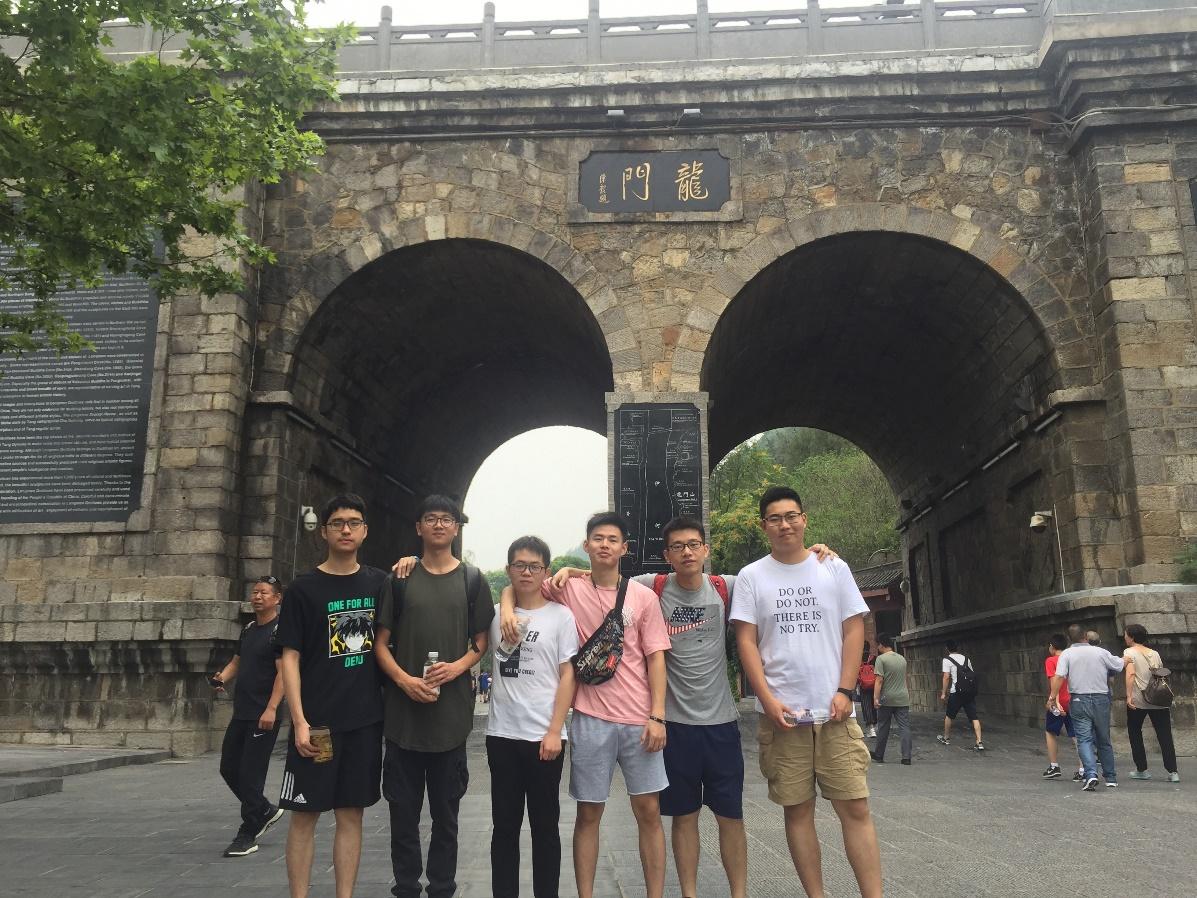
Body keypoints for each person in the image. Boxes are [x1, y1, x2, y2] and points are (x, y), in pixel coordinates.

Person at [502, 511, 671, 898]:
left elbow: (656, 658)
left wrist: (658, 715)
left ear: (625, 548)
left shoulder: (643, 597)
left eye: (612, 539)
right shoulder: (569, 589)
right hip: (591, 718)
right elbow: (520, 582)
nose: (605, 545)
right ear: (586, 545)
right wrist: (507, 609)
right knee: (589, 813)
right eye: (598, 539)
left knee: (648, 811)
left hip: (639, 720)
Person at [731, 486, 881, 898]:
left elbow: (854, 628)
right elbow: (746, 641)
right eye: (775, 518)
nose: (785, 524)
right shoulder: (751, 576)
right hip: (784, 713)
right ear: (764, 526)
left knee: (855, 806)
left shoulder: (832, 567)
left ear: (804, 519)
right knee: (798, 811)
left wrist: (845, 690)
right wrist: (766, 699)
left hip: (835, 710)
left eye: (791, 516)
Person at [375, 495, 494, 898]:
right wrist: (403, 680)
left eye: (447, 519)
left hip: (450, 722)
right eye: (431, 518)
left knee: (447, 816)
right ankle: (406, 886)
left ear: (456, 528)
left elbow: (481, 642)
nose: (439, 525)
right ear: (418, 527)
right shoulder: (399, 580)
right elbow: (380, 644)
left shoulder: (472, 580)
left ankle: (443, 886)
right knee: (402, 815)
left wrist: (457, 667)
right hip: (403, 720)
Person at [276, 494, 387, 898]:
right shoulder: (303, 589)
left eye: (354, 522)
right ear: (323, 531)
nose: (346, 529)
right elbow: (289, 657)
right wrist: (299, 721)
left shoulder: (379, 584)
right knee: (304, 813)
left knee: (351, 813)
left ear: (365, 531)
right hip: (318, 725)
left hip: (363, 722)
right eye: (338, 523)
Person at [487, 536, 578, 898]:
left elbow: (568, 674)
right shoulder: (495, 614)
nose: (526, 572)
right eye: (519, 565)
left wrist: (555, 730)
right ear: (509, 569)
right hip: (502, 735)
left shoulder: (560, 616)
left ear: (546, 572)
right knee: (504, 828)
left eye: (534, 566)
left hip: (544, 737)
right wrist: (506, 605)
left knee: (545, 828)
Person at [211, 574, 286, 857]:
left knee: (250, 774)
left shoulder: (280, 631)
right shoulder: (250, 629)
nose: (257, 597)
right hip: (243, 710)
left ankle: (248, 832)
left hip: (264, 713)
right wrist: (222, 678)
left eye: (264, 593)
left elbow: (283, 673)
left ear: (277, 598)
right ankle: (263, 810)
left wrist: (271, 708)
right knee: (229, 767)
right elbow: (237, 662)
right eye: (255, 592)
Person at [1049, 623, 1124, 791]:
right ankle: (1110, 777)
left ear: (1069, 639)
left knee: (1084, 739)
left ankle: (1090, 774)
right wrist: (1126, 658)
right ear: (1085, 636)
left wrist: (1052, 697)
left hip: (1078, 699)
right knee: (1104, 739)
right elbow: (1118, 665)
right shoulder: (1100, 652)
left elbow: (1059, 676)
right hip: (1101, 698)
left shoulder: (1067, 654)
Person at [1122, 624, 1180, 783]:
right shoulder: (1154, 653)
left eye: (1126, 634)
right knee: (1164, 734)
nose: (1125, 637)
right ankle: (1173, 771)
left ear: (1132, 637)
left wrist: (1128, 696)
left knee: (1135, 732)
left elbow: (1130, 674)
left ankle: (1142, 769)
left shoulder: (1129, 652)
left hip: (1138, 699)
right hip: (1158, 698)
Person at [1041, 634, 1082, 781]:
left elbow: (1055, 681)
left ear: (1052, 646)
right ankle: (1083, 769)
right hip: (1074, 699)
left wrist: (1054, 701)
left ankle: (1054, 766)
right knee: (1077, 735)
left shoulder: (1051, 660)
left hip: (1059, 700)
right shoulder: (1072, 658)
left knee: (1050, 731)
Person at [870, 633, 911, 765]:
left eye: (878, 645)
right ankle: (906, 757)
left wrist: (875, 698)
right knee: (904, 727)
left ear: (881, 644)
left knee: (883, 726)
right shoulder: (902, 659)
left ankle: (879, 754)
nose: (878, 647)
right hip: (902, 697)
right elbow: (905, 679)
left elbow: (879, 680)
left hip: (886, 698)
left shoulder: (881, 659)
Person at [937, 640, 984, 750]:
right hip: (968, 692)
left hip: (956, 692)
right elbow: (971, 674)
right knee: (974, 717)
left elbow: (946, 677)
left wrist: (943, 693)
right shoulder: (966, 659)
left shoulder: (947, 660)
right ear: (957, 648)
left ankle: (946, 738)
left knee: (949, 716)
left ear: (947, 649)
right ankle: (979, 741)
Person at [856, 643, 877, 738]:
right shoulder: (874, 658)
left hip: (863, 686)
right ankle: (874, 726)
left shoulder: (858, 658)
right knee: (873, 705)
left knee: (866, 705)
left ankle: (871, 728)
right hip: (873, 685)